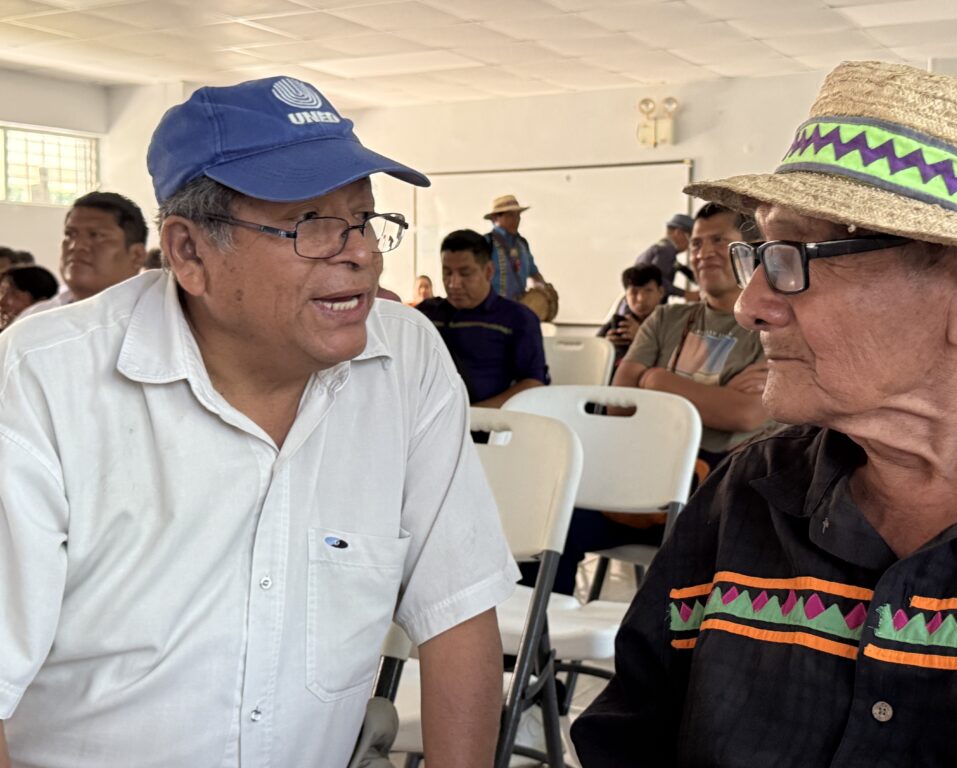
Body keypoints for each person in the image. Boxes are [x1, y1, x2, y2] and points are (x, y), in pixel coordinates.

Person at [0, 76, 519, 768]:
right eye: (313, 224)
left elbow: (456, 612)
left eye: (364, 219)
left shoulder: (405, 359)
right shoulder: (42, 380)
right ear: (188, 253)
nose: (361, 252)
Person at [572, 60, 957, 768]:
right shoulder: (746, 497)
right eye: (761, 252)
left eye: (795, 255)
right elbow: (628, 740)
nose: (753, 303)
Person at [613, 201, 771, 472]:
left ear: (748, 251)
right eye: (696, 244)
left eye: (718, 240)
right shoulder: (664, 318)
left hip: (727, 475)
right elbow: (618, 406)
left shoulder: (770, 325)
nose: (704, 253)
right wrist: (720, 397)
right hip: (647, 464)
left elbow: (746, 414)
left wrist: (655, 380)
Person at [417, 229, 548, 407]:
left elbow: (533, 384)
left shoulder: (518, 319)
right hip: (425, 422)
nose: (453, 284)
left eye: (465, 273)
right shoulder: (426, 315)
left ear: (488, 271)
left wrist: (472, 416)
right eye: (447, 273)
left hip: (490, 427)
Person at [17, 191, 147, 320]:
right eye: (70, 234)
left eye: (96, 235)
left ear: (137, 256)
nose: (76, 246)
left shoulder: (154, 319)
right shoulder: (35, 318)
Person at [597, 264, 664, 368]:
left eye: (648, 291)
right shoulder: (616, 324)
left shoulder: (669, 324)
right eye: (634, 292)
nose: (641, 298)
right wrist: (605, 348)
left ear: (661, 292)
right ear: (626, 296)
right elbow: (590, 360)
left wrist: (641, 338)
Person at [483, 194, 547, 300]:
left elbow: (534, 273)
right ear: (495, 218)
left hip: (517, 309)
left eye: (518, 215)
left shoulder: (522, 244)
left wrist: (543, 288)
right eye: (510, 215)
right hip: (491, 311)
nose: (516, 220)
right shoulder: (485, 243)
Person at [634, 213, 695, 300]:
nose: (690, 245)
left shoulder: (661, 248)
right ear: (678, 233)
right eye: (691, 238)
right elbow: (657, 281)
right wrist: (686, 294)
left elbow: (679, 267)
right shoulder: (667, 250)